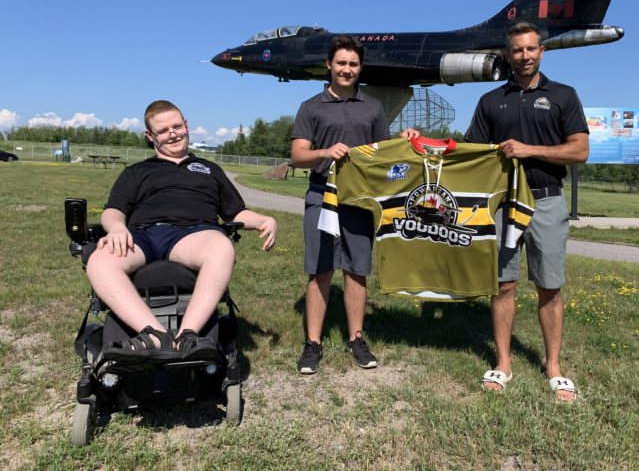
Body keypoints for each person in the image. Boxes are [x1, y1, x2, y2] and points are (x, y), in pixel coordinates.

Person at [86, 100, 277, 362]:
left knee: (221, 246)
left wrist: (265, 220)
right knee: (99, 261)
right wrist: (117, 228)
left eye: (177, 126)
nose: (173, 134)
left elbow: (234, 213)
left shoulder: (209, 169)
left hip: (192, 234)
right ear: (150, 136)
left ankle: (188, 335)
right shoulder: (137, 171)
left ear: (186, 125)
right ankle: (154, 335)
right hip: (142, 235)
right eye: (164, 130)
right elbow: (113, 210)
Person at [464, 22, 589, 401]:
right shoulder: (491, 100)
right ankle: (503, 364)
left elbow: (579, 150)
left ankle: (553, 367)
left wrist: (529, 149)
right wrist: (420, 141)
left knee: (549, 286)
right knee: (503, 285)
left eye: (531, 49)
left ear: (541, 52)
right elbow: (471, 152)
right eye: (517, 50)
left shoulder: (563, 96)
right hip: (502, 203)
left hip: (546, 200)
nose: (524, 56)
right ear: (508, 54)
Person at [291, 35, 418, 374]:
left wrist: (403, 142)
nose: (347, 69)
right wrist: (324, 152)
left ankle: (356, 338)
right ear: (329, 65)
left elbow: (384, 154)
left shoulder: (373, 107)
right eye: (341, 63)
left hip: (360, 199)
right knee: (319, 269)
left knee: (357, 269)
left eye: (353, 64)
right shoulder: (311, 107)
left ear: (360, 68)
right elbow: (297, 155)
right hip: (322, 194)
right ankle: (313, 343)